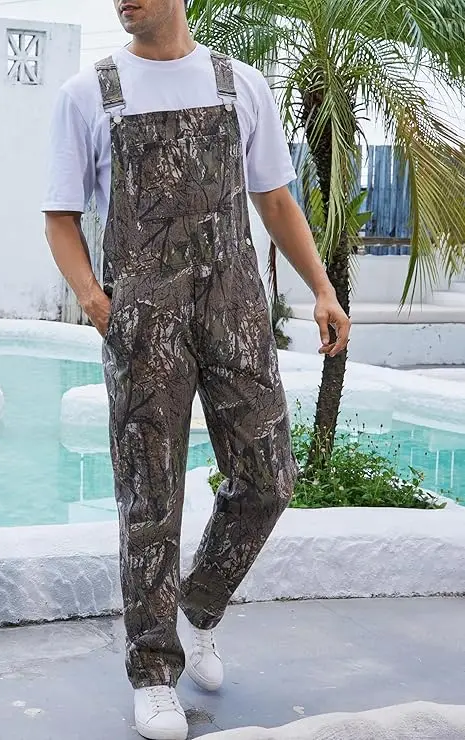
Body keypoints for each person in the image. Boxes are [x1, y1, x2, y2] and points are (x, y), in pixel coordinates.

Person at [43, 1, 351, 738]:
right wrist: (94, 300)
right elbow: (61, 216)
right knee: (148, 497)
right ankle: (153, 673)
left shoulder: (237, 83)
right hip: (142, 320)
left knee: (269, 477)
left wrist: (321, 287)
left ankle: (200, 602)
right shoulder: (88, 94)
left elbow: (272, 198)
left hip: (234, 310)